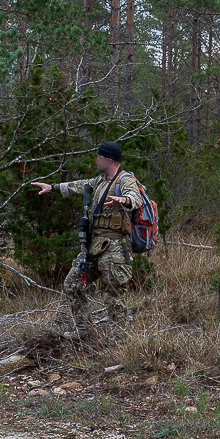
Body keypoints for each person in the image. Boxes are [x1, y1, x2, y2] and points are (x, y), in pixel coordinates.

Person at [31, 142, 142, 335]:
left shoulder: (125, 180)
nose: (96, 160)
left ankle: (120, 341)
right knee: (72, 284)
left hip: (115, 248)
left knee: (113, 296)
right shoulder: (99, 181)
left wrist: (124, 200)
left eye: (99, 157)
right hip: (94, 247)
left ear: (108, 159)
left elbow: (135, 197)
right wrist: (53, 187)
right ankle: (83, 329)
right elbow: (79, 186)